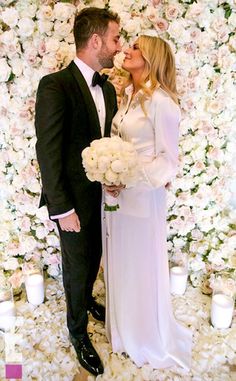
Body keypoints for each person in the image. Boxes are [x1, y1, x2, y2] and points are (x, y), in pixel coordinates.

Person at [35, 7, 121, 376]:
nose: (120, 46)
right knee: (77, 264)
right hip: (71, 203)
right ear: (96, 40)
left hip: (101, 200)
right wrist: (62, 208)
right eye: (115, 39)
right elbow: (48, 151)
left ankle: (86, 299)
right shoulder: (55, 85)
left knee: (95, 256)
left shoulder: (110, 89)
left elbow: (107, 145)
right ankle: (77, 333)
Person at [103, 35, 192, 369]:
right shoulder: (127, 95)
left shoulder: (162, 102)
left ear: (152, 57)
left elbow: (168, 161)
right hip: (115, 196)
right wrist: (108, 174)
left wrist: (129, 178)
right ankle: (124, 332)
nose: (127, 50)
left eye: (136, 47)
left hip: (142, 197)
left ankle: (144, 335)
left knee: (140, 264)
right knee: (121, 261)